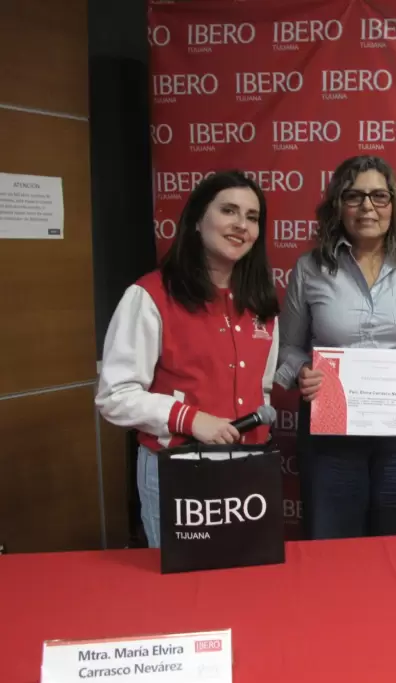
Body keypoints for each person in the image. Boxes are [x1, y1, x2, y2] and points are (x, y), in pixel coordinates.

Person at [275, 155, 396, 540]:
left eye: (379, 196)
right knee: (332, 539)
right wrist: (302, 372)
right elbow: (288, 347)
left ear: (394, 203)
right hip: (331, 428)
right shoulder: (310, 267)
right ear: (338, 205)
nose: (367, 208)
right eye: (354, 196)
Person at [96, 170, 280, 547]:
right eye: (228, 211)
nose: (240, 225)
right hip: (178, 469)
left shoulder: (261, 303)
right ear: (198, 220)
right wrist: (192, 419)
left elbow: (262, 387)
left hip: (249, 469)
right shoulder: (150, 295)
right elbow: (114, 396)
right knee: (183, 593)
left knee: (246, 584)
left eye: (251, 217)